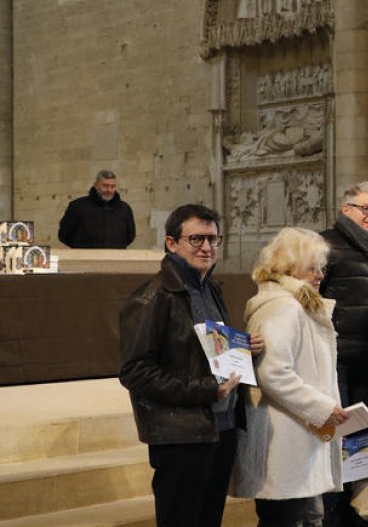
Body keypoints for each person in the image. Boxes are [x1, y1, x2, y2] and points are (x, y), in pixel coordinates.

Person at [118, 204, 261, 527]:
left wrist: (240, 347)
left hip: (220, 429)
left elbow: (203, 350)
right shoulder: (152, 297)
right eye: (196, 239)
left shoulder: (210, 287)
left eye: (213, 239)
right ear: (171, 243)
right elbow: (134, 371)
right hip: (181, 434)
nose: (206, 247)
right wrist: (206, 390)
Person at [232, 227, 346, 526]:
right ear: (289, 268)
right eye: (312, 268)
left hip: (302, 431)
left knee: (307, 515)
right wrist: (322, 408)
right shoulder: (284, 308)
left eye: (321, 268)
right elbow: (273, 372)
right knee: (285, 518)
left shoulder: (298, 305)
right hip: (286, 434)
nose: (320, 275)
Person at [319, 182, 368, 526]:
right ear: (345, 209)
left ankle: (346, 505)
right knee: (335, 433)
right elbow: (313, 297)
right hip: (336, 356)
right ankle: (329, 511)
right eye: (365, 208)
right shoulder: (326, 244)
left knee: (361, 434)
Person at [58, 169, 136, 248]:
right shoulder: (77, 207)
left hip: (116, 255)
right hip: (85, 255)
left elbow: (130, 236)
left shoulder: (124, 209)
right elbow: (64, 234)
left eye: (112, 186)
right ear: (95, 185)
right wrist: (80, 248)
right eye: (105, 186)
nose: (109, 190)